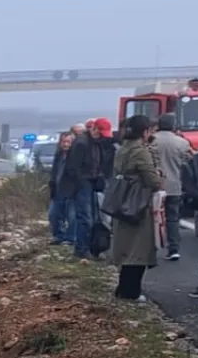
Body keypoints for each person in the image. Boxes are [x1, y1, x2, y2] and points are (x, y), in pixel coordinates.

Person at [109, 115, 162, 302]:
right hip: (137, 203)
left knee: (124, 247)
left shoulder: (122, 149)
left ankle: (122, 288)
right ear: (145, 131)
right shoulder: (141, 152)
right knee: (139, 249)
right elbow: (153, 180)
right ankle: (131, 291)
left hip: (121, 201)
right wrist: (159, 177)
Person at [60, 120, 102, 261]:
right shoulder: (82, 143)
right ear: (94, 129)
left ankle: (87, 248)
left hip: (89, 183)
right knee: (84, 217)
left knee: (89, 217)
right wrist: (83, 180)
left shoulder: (92, 142)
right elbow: (74, 167)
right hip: (82, 184)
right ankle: (81, 249)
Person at [151, 113, 191, 260]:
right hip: (174, 185)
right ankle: (173, 248)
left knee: (151, 219)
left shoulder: (151, 140)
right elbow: (188, 161)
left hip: (154, 185)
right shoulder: (182, 142)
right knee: (172, 219)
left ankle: (151, 249)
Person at [48, 130, 76, 243]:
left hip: (70, 191)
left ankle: (71, 238)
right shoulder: (58, 156)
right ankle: (59, 235)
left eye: (68, 142)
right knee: (53, 214)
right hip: (57, 190)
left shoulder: (74, 157)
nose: (65, 144)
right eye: (63, 142)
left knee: (72, 216)